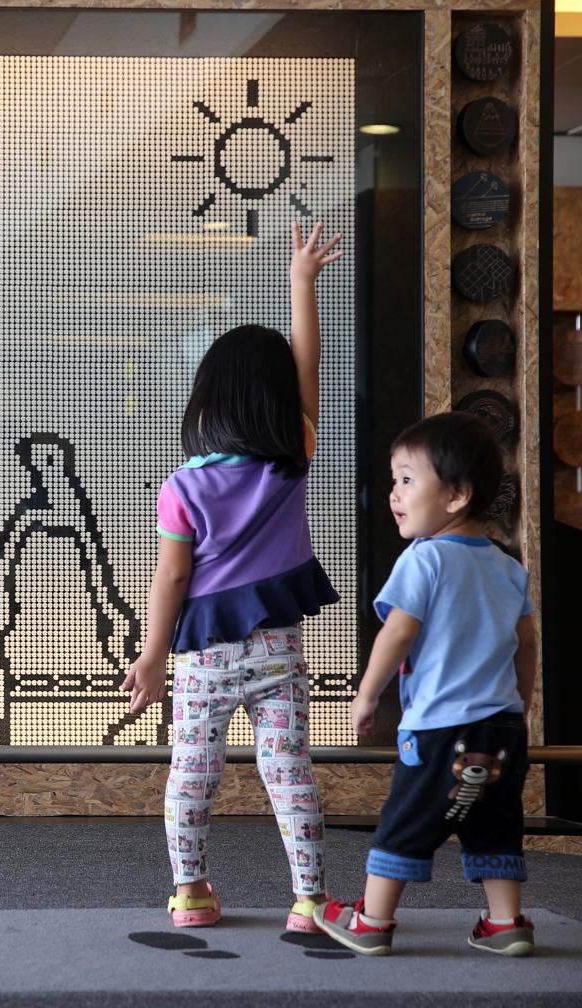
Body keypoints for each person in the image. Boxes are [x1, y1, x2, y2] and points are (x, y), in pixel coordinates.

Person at [121, 221, 343, 932]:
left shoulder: (182, 487)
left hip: (204, 659)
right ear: (279, 403)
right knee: (290, 774)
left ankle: (191, 893)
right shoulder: (292, 460)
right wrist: (301, 281)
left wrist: (152, 655)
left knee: (193, 773)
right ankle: (309, 899)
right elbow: (307, 365)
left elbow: (170, 579)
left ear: (207, 397)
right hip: (277, 649)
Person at [315, 412, 536, 957]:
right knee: (495, 823)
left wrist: (368, 693)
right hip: (503, 728)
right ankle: (506, 921)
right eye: (395, 480)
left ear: (457, 495)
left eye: (408, 480)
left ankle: (372, 920)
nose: (394, 493)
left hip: (440, 729)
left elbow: (398, 632)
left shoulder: (425, 558)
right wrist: (522, 705)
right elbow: (527, 644)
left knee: (407, 819)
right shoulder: (509, 568)